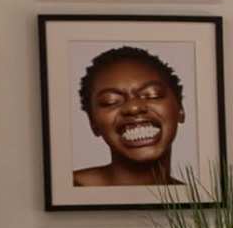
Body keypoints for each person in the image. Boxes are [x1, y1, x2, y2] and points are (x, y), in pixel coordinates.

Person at [71, 44, 186, 189]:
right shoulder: (68, 189)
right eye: (110, 101)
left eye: (152, 94)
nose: (133, 107)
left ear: (180, 109)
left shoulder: (196, 199)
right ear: (93, 123)